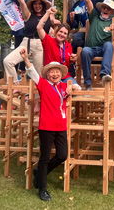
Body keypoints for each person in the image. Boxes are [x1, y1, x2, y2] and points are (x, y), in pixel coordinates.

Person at [19, 50, 80, 201]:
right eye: (52, 72)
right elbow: (32, 72)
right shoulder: (44, 85)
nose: (55, 74)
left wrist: (72, 88)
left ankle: (40, 173)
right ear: (47, 75)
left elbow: (78, 87)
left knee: (62, 155)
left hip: (61, 126)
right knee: (45, 157)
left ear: (61, 74)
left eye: (57, 71)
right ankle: (42, 188)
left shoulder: (63, 86)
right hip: (46, 127)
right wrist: (26, 59)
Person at [3, 0, 51, 81]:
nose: (37, 6)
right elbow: (22, 2)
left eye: (40, 4)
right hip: (27, 43)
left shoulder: (48, 17)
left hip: (41, 46)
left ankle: (40, 94)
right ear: (32, 5)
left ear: (43, 5)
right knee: (8, 61)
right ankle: (14, 85)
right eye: (35, 4)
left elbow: (57, 29)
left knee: (40, 73)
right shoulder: (28, 15)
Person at [7, 0, 39, 72]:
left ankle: (34, 74)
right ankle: (17, 72)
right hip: (21, 24)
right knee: (19, 49)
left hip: (34, 25)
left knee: (37, 49)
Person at [37, 7, 78, 85]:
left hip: (64, 76)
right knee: (57, 92)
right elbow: (39, 28)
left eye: (65, 33)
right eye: (60, 32)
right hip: (51, 76)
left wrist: (72, 59)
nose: (62, 34)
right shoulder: (49, 41)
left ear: (67, 36)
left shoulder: (68, 45)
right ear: (57, 32)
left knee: (77, 89)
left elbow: (67, 62)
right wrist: (48, 13)